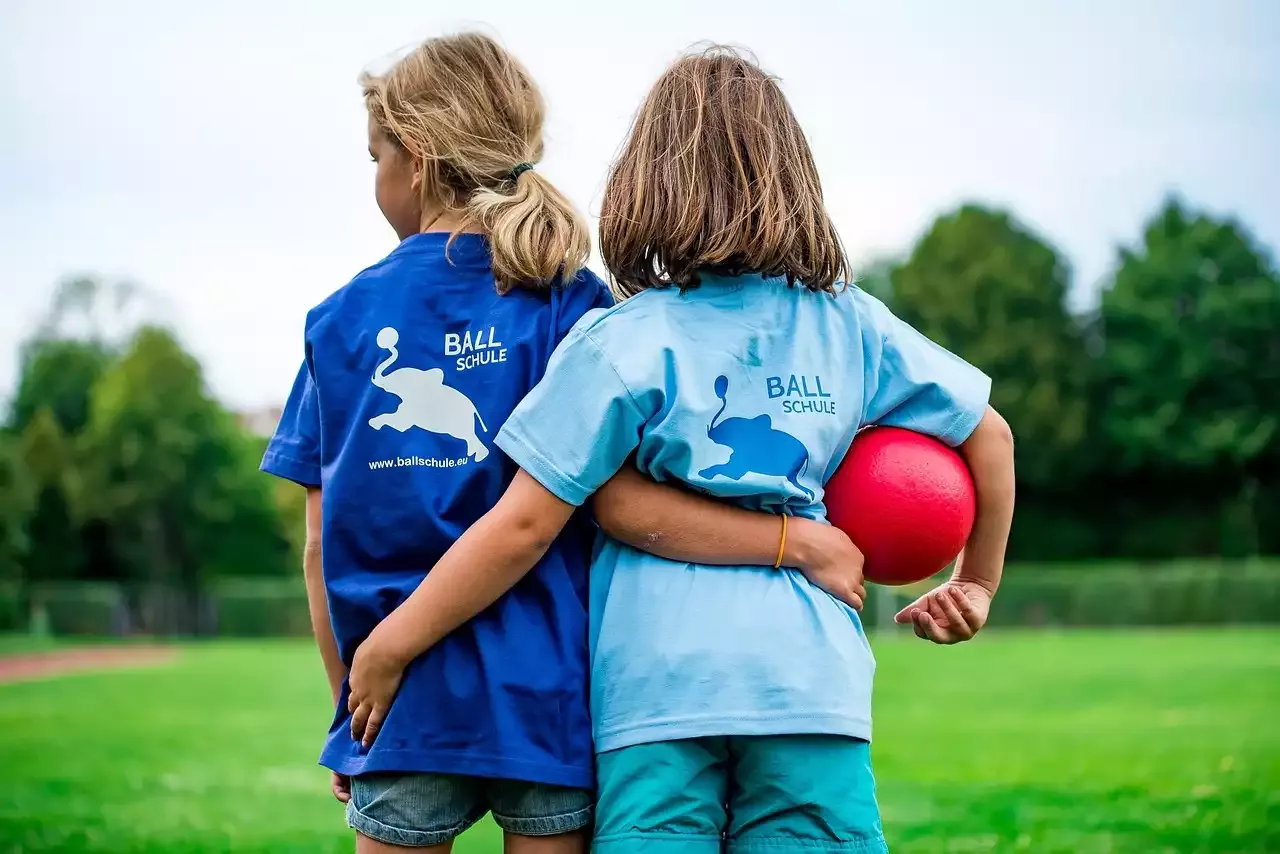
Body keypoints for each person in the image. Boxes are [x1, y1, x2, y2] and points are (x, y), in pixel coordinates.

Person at [347, 46, 1016, 854]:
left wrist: (390, 641)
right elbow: (989, 433)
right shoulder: (847, 323)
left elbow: (533, 520)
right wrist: (975, 582)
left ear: (644, 182)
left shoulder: (620, 340)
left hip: (655, 696)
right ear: (792, 179)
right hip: (809, 687)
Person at [262, 33, 867, 854]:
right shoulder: (576, 306)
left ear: (419, 157)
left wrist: (354, 701)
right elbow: (616, 501)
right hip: (547, 702)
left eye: (376, 156)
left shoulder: (336, 323)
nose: (376, 179)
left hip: (398, 703)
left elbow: (315, 545)